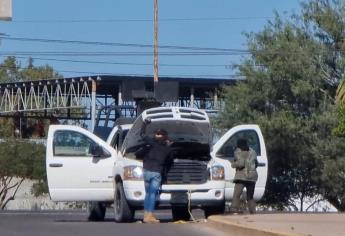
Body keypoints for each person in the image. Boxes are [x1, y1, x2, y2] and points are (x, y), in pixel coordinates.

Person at [140, 118, 173, 223]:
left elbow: (142, 134)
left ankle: (146, 215)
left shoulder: (151, 143)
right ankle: (149, 216)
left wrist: (145, 124)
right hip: (156, 172)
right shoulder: (168, 149)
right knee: (153, 194)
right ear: (166, 137)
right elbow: (169, 163)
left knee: (148, 194)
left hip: (146, 171)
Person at [230, 138, 258, 214]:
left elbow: (241, 163)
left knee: (237, 195)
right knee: (250, 196)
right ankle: (253, 211)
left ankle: (234, 209)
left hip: (241, 177)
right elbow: (256, 163)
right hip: (252, 177)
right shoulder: (253, 151)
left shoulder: (238, 151)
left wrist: (233, 164)